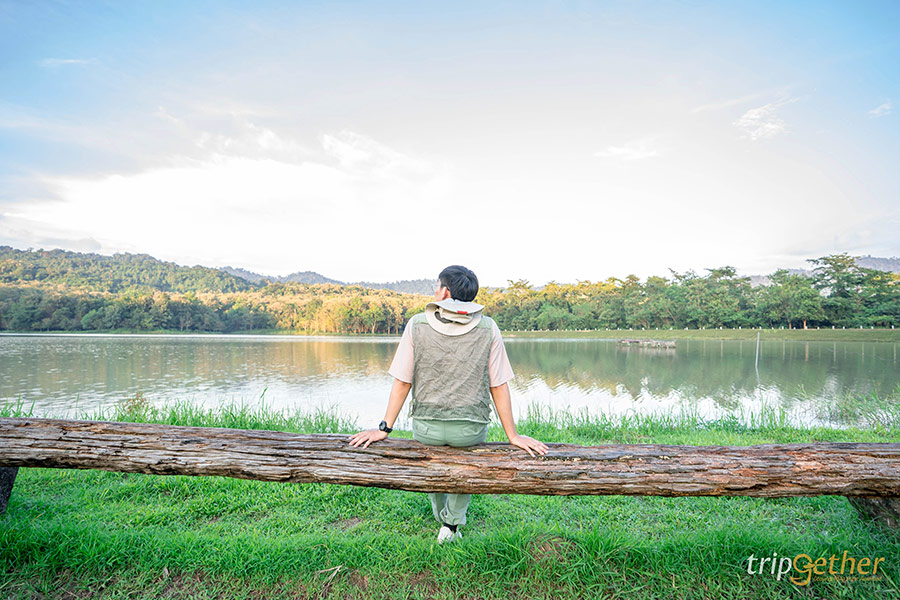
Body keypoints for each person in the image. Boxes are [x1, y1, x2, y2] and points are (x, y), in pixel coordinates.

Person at [349, 265, 547, 544]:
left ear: (445, 292)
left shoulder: (416, 324)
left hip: (426, 429)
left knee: (434, 464)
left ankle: (442, 518)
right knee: (463, 466)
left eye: (436, 287)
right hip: (470, 430)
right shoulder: (488, 328)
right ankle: (451, 525)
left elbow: (402, 382)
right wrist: (512, 435)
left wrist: (384, 428)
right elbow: (498, 385)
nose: (434, 291)